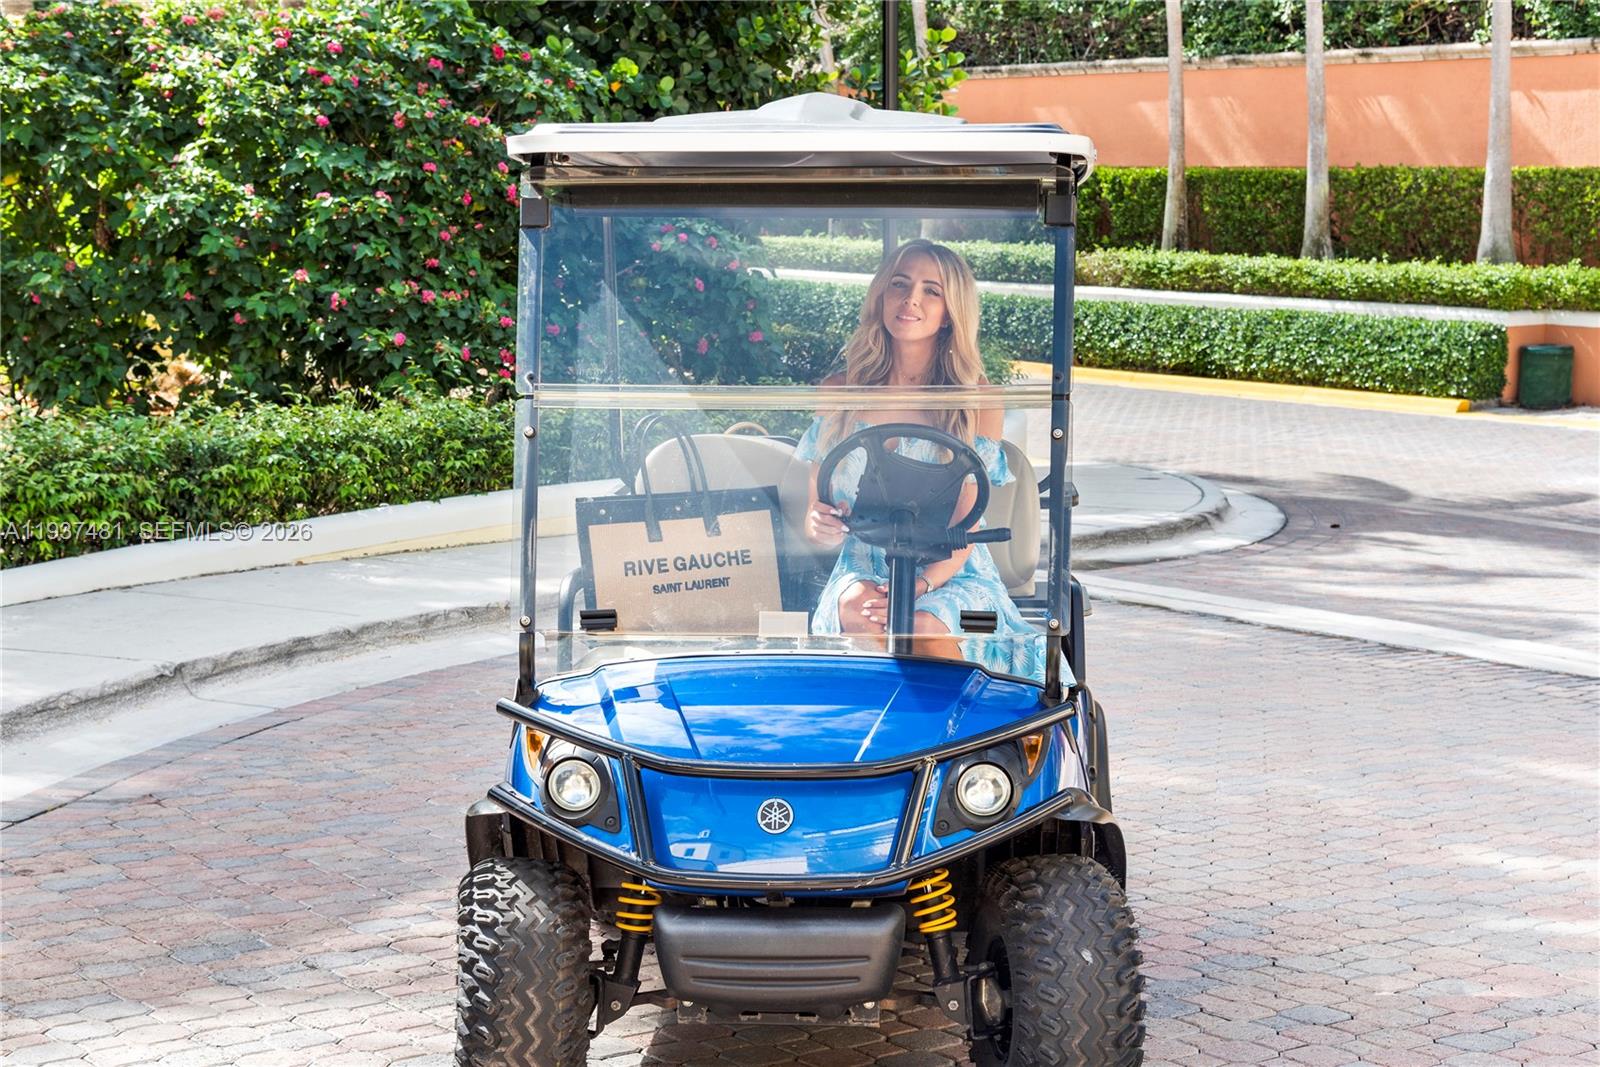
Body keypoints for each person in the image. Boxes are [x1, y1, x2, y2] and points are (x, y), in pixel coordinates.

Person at [794, 239, 1045, 682]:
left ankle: (950, 749)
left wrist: (922, 584)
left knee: (920, 629)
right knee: (862, 612)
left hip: (950, 569)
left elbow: (967, 527)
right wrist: (819, 525)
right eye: (900, 284)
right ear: (881, 296)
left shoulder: (976, 400)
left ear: (951, 311)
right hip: (863, 563)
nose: (911, 299)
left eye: (932, 290)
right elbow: (820, 513)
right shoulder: (839, 391)